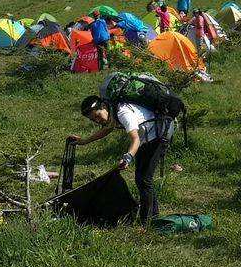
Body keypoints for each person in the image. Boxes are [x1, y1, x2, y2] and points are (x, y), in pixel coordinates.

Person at [69, 94, 173, 224]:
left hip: (159, 135)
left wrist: (128, 158)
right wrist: (84, 141)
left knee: (144, 179)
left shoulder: (123, 113)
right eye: (93, 119)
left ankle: (147, 221)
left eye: (98, 116)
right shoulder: (111, 112)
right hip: (147, 137)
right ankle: (152, 215)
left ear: (104, 107)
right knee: (142, 178)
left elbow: (135, 139)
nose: (97, 120)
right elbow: (107, 129)